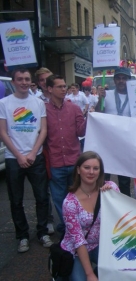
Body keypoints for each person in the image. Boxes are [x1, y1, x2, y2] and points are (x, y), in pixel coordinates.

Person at [0, 67, 53, 252]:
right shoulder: (4, 103)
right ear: (13, 81)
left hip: (35, 157)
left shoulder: (38, 103)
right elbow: (3, 132)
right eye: (20, 79)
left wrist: (32, 153)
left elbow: (43, 130)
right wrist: (19, 155)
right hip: (14, 158)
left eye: (26, 79)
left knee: (42, 197)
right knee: (16, 200)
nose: (23, 82)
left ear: (31, 81)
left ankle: (42, 232)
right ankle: (22, 235)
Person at [61, 151, 119, 281]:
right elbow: (78, 240)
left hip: (101, 245)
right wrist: (89, 274)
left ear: (100, 171)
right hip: (76, 250)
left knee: (122, 269)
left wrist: (112, 194)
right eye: (86, 167)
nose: (91, 172)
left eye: (95, 168)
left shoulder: (110, 189)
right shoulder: (70, 202)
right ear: (78, 170)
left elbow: (120, 215)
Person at [45, 75, 87, 235]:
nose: (64, 89)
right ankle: (69, 229)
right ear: (50, 89)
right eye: (60, 87)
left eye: (65, 86)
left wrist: (89, 118)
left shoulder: (74, 108)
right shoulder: (43, 109)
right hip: (55, 162)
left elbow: (81, 131)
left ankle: (78, 227)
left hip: (75, 160)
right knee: (59, 199)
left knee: (78, 197)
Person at [95, 67, 132, 196]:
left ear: (129, 80)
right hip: (108, 144)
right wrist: (100, 99)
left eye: (124, 78)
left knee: (125, 181)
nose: (121, 81)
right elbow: (98, 114)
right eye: (118, 78)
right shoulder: (107, 94)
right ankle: (103, 208)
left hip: (125, 143)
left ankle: (126, 210)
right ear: (114, 80)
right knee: (104, 179)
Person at [35, 67, 55, 234]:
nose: (45, 82)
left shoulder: (63, 97)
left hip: (62, 148)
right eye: (42, 80)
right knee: (45, 186)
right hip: (44, 149)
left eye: (48, 78)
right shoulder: (35, 101)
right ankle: (48, 219)